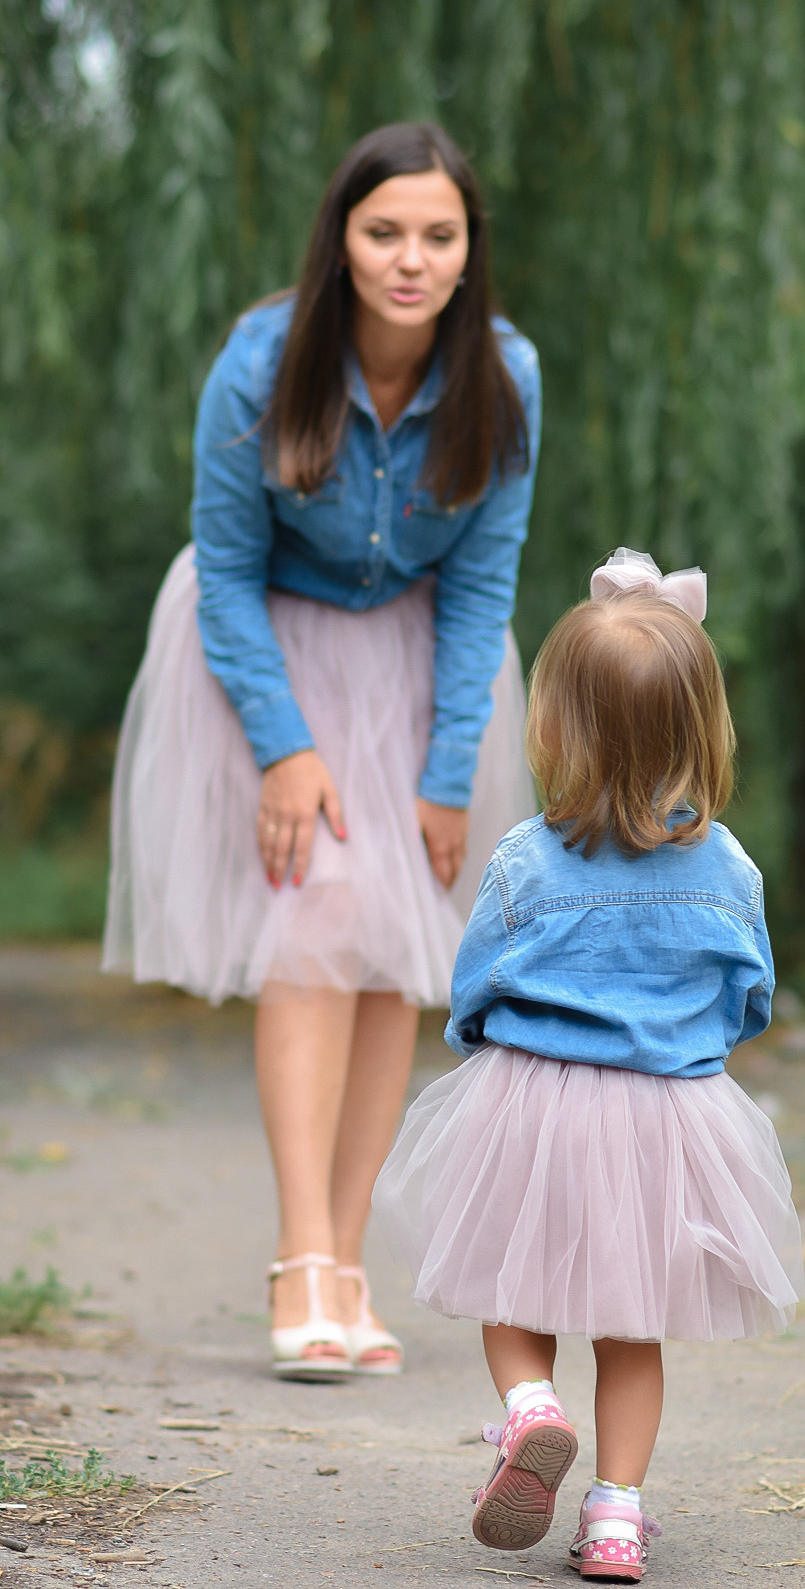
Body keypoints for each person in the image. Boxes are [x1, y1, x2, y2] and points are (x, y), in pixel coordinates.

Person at [102, 123, 540, 1381]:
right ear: (341, 240)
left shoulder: (504, 374)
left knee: (394, 944)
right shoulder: (262, 359)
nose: (410, 259)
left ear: (467, 251)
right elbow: (226, 576)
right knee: (312, 922)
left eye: (437, 236)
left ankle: (350, 1263)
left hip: (418, 667)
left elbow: (480, 585)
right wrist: (285, 750)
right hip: (268, 655)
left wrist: (445, 774)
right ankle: (301, 1257)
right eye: (383, 232)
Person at [373, 548, 803, 1579]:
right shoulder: (728, 866)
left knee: (510, 1294)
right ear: (702, 727)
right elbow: (747, 996)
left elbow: (473, 987)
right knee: (631, 1327)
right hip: (667, 1116)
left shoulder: (526, 855)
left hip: (532, 1103)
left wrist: (481, 1056)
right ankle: (614, 1515)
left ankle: (528, 1411)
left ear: (554, 724)